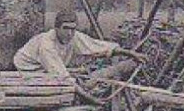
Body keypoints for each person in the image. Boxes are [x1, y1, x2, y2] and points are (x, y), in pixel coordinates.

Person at [12, 8, 145, 93]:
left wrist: (131, 54)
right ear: (56, 28)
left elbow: (97, 46)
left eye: (73, 29)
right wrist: (84, 92)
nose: (70, 33)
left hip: (47, 69)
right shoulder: (47, 44)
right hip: (24, 71)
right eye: (66, 28)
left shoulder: (73, 36)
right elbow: (60, 75)